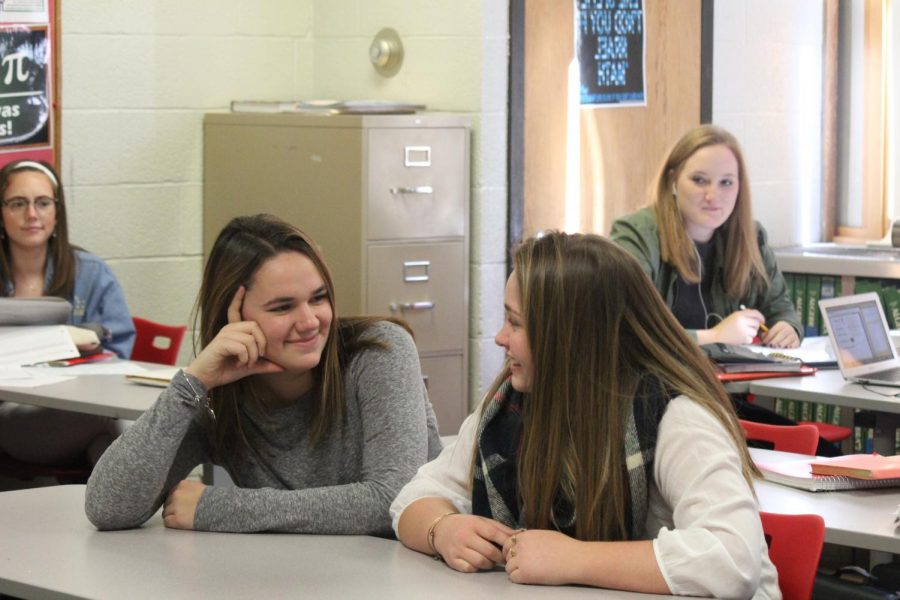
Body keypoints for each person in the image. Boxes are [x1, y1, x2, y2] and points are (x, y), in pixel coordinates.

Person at [391, 233, 779, 598]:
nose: (500, 337)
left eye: (516, 323)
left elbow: (732, 558)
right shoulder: (511, 402)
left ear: (570, 337)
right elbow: (415, 496)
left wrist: (573, 558)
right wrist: (441, 528)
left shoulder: (677, 416)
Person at [85, 214, 442, 534]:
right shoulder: (218, 395)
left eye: (318, 298)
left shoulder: (378, 352)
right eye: (282, 307)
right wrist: (192, 383)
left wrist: (221, 508)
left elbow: (393, 500)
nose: (309, 321)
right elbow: (108, 508)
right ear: (234, 317)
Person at [610, 124, 801, 349]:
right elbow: (626, 330)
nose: (713, 196)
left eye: (726, 182)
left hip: (729, 381)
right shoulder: (636, 235)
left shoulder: (751, 237)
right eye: (699, 180)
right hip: (656, 381)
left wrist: (787, 328)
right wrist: (714, 336)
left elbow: (780, 309)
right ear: (673, 180)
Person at [0, 159, 135, 468]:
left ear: (57, 211)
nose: (32, 215)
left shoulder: (91, 272)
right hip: (12, 415)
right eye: (18, 203)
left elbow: (119, 353)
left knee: (108, 438)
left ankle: (122, 511)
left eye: (43, 203)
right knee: (110, 416)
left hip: (80, 406)